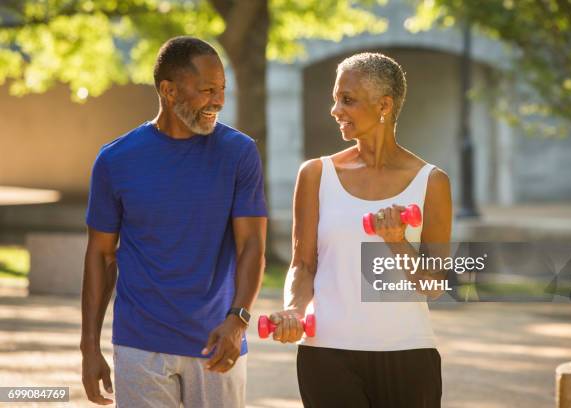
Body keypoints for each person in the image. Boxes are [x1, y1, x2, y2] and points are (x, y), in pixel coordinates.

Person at [80, 36, 267, 407]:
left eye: (222, 89)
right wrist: (89, 347)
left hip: (218, 341)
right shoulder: (116, 160)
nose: (219, 101)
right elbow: (101, 255)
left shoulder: (239, 153)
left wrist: (238, 320)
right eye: (207, 90)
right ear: (168, 90)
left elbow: (252, 246)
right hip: (139, 345)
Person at [269, 52, 452, 407]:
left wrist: (397, 243)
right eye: (336, 98)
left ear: (384, 105)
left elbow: (434, 286)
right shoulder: (315, 174)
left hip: (407, 352)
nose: (335, 110)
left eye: (347, 100)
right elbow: (302, 264)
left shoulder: (431, 182)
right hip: (327, 353)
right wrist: (293, 309)